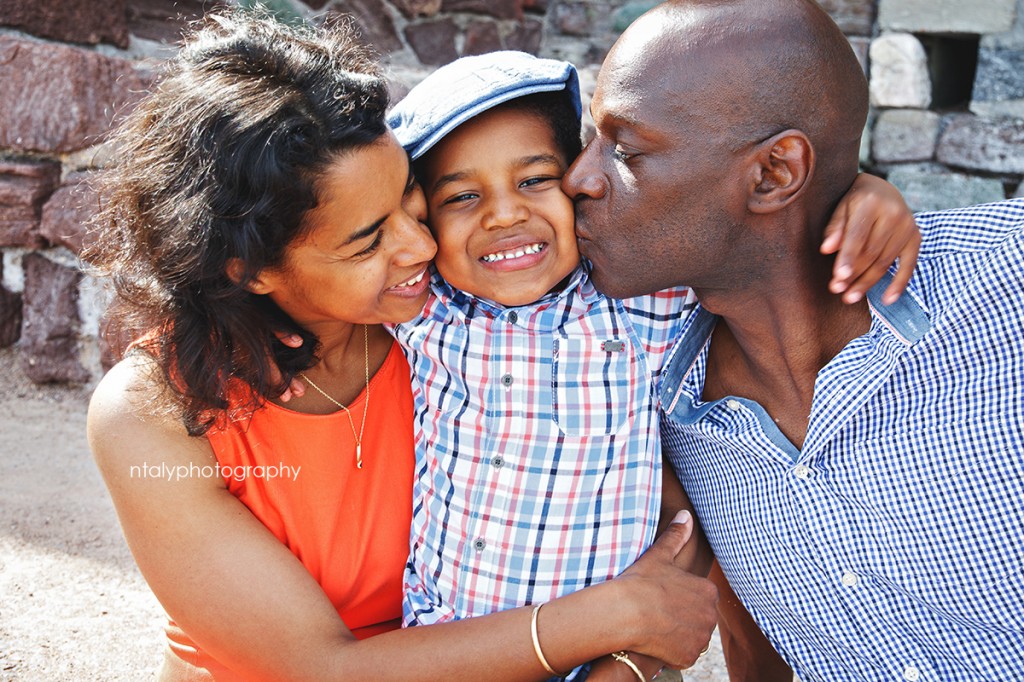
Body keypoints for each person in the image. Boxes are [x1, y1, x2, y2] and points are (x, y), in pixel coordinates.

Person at [84, 10, 723, 681]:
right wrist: (609, 618)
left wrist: (625, 659)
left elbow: (661, 481)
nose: (422, 247)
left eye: (411, 203)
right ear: (248, 269)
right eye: (368, 240)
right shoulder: (149, 415)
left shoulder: (452, 319)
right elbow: (322, 670)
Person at [381, 49, 920, 681]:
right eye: (463, 196)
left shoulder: (634, 298)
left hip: (617, 652)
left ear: (579, 181)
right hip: (454, 644)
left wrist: (863, 193)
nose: (504, 214)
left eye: (534, 181)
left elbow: (746, 232)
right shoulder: (428, 310)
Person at [561, 1, 1024, 681]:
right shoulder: (648, 396)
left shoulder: (1005, 291)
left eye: (626, 151)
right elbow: (754, 635)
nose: (580, 178)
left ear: (775, 173)